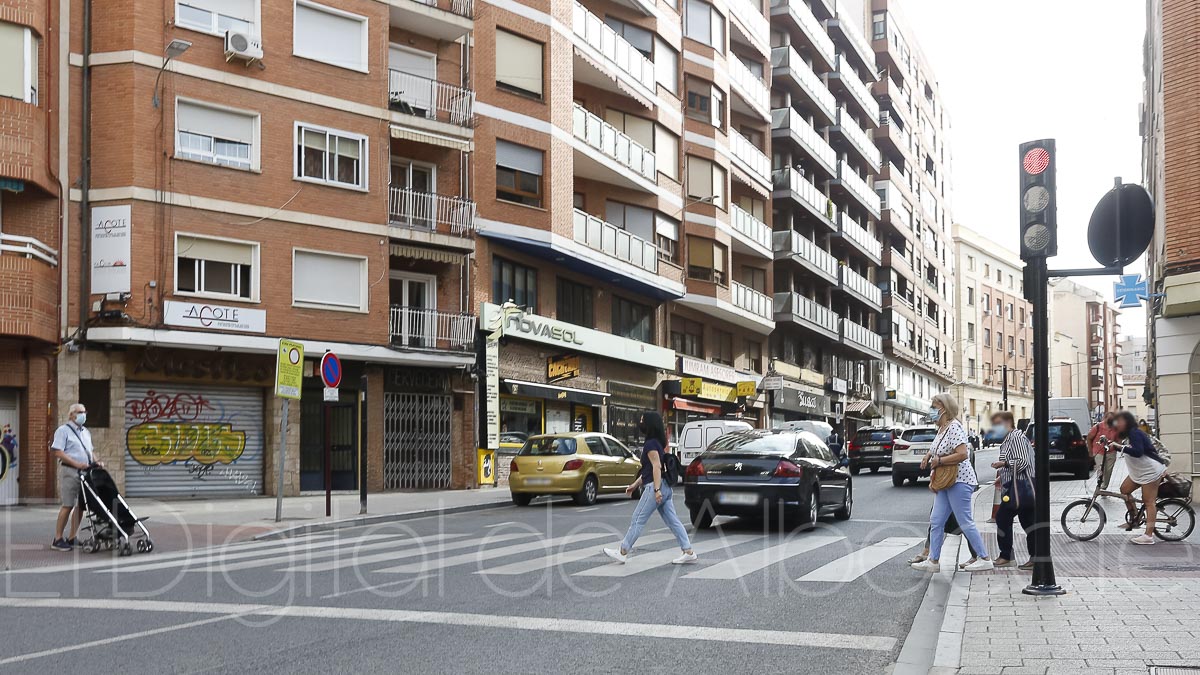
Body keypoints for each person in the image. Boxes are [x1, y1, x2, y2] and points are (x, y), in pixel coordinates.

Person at [911, 393, 993, 572]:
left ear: (945, 409)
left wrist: (939, 461)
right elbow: (935, 448)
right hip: (946, 482)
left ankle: (984, 557)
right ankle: (933, 561)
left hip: (959, 481)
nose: (931, 411)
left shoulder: (954, 427)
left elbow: (962, 453)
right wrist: (927, 457)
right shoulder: (942, 429)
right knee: (936, 519)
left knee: (964, 521)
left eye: (935, 407)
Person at [604, 412, 697, 564]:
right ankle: (688, 551)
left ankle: (622, 551)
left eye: (642, 420)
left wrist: (656, 490)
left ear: (649, 424)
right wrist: (635, 485)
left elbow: (657, 467)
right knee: (673, 521)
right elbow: (648, 470)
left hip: (656, 487)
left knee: (637, 519)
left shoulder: (650, 444)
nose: (640, 422)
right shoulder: (657, 443)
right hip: (663, 486)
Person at [1109, 411, 1167, 545]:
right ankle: (1134, 518)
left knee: (1149, 502)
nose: (1118, 424)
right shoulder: (1128, 435)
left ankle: (1148, 535)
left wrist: (1119, 447)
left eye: (1120, 421)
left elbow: (1138, 452)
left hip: (1150, 471)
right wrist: (1112, 444)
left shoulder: (1135, 433)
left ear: (1127, 422)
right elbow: (1124, 447)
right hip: (1139, 472)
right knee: (1124, 490)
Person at [49, 403, 99, 551]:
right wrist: (76, 464)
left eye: (84, 412)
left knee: (81, 506)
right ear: (71, 415)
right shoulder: (63, 431)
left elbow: (90, 451)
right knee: (68, 504)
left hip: (86, 472)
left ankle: (72, 537)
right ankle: (57, 538)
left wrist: (97, 461)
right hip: (71, 471)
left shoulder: (85, 432)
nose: (83, 415)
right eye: (79, 412)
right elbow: (58, 451)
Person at [990, 411, 1036, 569]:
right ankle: (1035, 558)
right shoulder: (1009, 439)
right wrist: (1001, 476)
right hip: (1018, 486)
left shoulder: (1015, 437)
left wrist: (1003, 464)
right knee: (1029, 522)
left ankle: (1007, 556)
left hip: (1020, 486)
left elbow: (1022, 462)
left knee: (1003, 518)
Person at [1087, 412, 1119, 490]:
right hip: (1099, 451)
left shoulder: (1115, 428)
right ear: (1105, 418)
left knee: (1108, 470)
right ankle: (1100, 486)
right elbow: (1089, 438)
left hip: (1111, 452)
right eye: (1109, 418)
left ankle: (1104, 486)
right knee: (1101, 469)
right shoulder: (1097, 427)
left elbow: (1118, 441)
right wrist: (1090, 452)